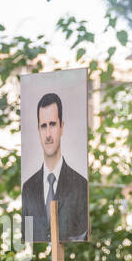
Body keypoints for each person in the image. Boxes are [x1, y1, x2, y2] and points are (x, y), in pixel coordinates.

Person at [22, 92, 89, 243]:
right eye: (43, 126)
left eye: (52, 124)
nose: (48, 134)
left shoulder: (80, 185)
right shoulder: (28, 188)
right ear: (38, 130)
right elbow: (27, 238)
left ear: (62, 127)